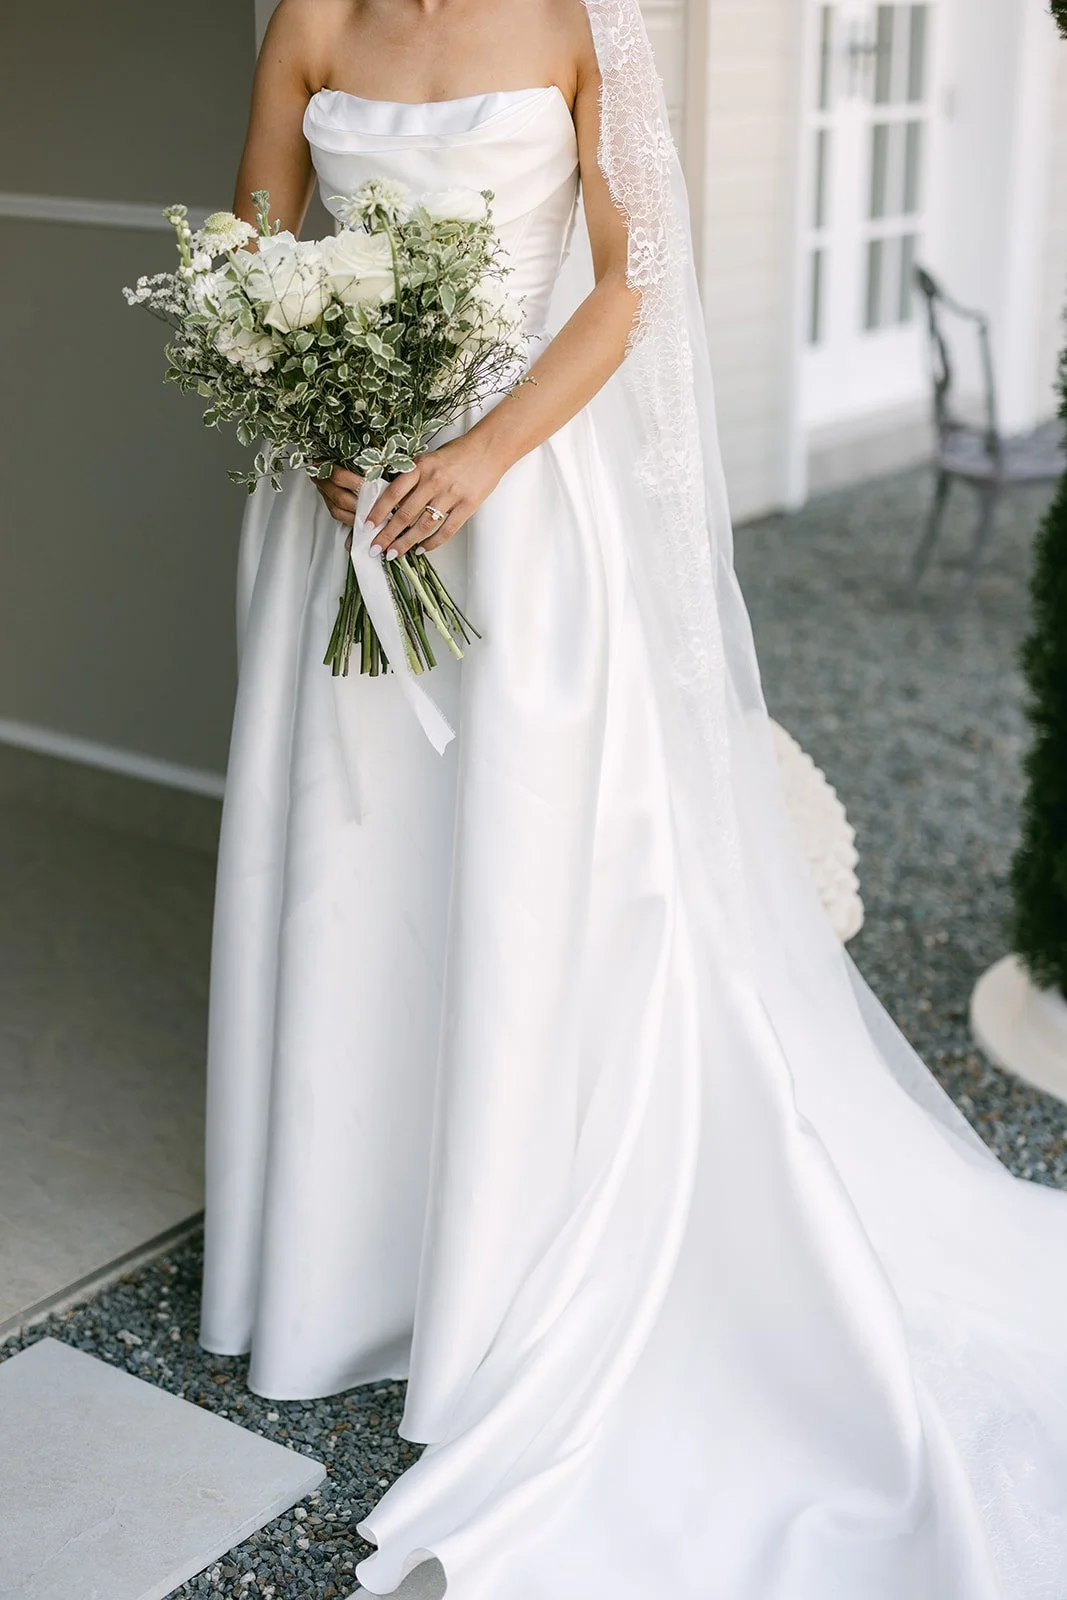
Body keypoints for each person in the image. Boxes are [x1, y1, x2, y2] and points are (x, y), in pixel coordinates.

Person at [198, 2, 1067, 1595]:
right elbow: (252, 251)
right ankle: (339, 1264)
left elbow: (631, 282)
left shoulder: (583, 20)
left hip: (520, 512)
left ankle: (495, 1274)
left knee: (526, 876)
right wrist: (329, 420)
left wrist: (481, 457)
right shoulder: (309, 19)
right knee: (351, 860)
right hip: (339, 507)